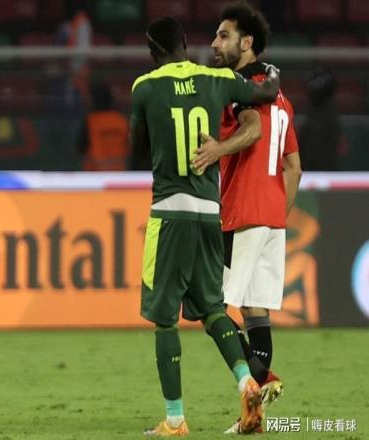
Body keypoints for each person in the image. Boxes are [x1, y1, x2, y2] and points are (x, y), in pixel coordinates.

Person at [130, 15, 281, 436]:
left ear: (152, 49)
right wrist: (271, 72)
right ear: (184, 41)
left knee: (165, 319)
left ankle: (175, 419)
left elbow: (136, 149)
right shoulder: (217, 79)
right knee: (213, 309)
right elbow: (266, 91)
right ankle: (247, 382)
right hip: (208, 213)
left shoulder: (145, 87)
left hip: (169, 212)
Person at [192, 1, 302, 433]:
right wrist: (275, 214)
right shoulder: (283, 100)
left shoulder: (240, 88)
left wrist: (216, 151)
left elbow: (252, 128)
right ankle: (254, 414)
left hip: (242, 213)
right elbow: (294, 168)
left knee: (206, 303)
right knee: (256, 309)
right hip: (271, 217)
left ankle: (260, 379)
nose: (214, 43)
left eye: (224, 35)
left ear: (247, 42)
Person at [78, 80, 129, 170]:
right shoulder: (121, 121)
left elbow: (80, 147)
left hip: (95, 174)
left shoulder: (91, 121)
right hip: (118, 173)